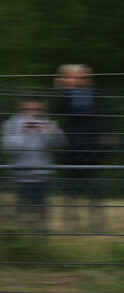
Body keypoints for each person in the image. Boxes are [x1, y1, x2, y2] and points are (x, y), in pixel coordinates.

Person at [52, 64, 104, 230]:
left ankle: (96, 223)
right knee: (70, 187)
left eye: (81, 77)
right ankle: (70, 223)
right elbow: (57, 111)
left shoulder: (95, 94)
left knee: (94, 187)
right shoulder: (64, 95)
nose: (77, 80)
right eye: (73, 77)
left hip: (92, 146)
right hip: (71, 145)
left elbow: (102, 117)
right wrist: (60, 89)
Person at [1, 98, 65, 229]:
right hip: (20, 176)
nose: (32, 114)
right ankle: (22, 234)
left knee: (42, 209)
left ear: (42, 110)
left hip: (42, 175)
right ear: (20, 108)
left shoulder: (48, 123)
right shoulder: (11, 124)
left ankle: (41, 233)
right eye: (28, 110)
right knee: (22, 209)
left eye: (36, 110)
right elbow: (7, 147)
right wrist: (24, 133)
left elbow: (61, 143)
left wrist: (48, 131)